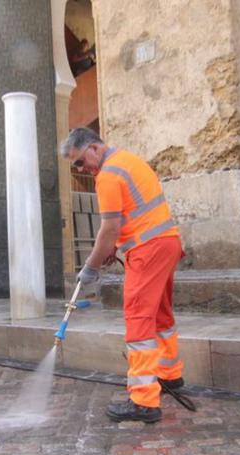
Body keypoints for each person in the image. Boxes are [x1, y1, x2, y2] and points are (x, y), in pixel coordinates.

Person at [59, 128, 184, 423]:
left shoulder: (108, 175)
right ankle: (170, 375)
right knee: (161, 314)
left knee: (138, 317)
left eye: (79, 161)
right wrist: (114, 248)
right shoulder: (128, 159)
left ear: (92, 148)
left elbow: (109, 228)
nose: (81, 169)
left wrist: (90, 265)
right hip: (167, 242)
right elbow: (135, 212)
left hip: (148, 249)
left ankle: (144, 401)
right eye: (75, 166)